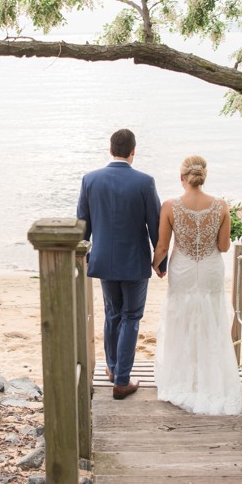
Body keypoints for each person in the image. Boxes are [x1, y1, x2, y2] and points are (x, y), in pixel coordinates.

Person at [152, 155, 242, 415]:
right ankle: (211, 382)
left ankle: (182, 380)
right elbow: (224, 246)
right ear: (204, 176)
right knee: (211, 320)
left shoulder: (170, 206)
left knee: (181, 319)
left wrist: (155, 264)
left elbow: (162, 246)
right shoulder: (221, 206)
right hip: (211, 269)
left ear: (181, 177)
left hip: (182, 269)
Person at [77, 129, 165, 400]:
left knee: (112, 313)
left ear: (110, 149)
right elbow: (156, 225)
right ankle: (122, 380)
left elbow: (83, 225)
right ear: (133, 151)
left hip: (102, 259)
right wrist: (160, 262)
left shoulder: (90, 180)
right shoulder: (144, 182)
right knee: (131, 317)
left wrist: (82, 255)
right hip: (134, 262)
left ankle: (113, 369)